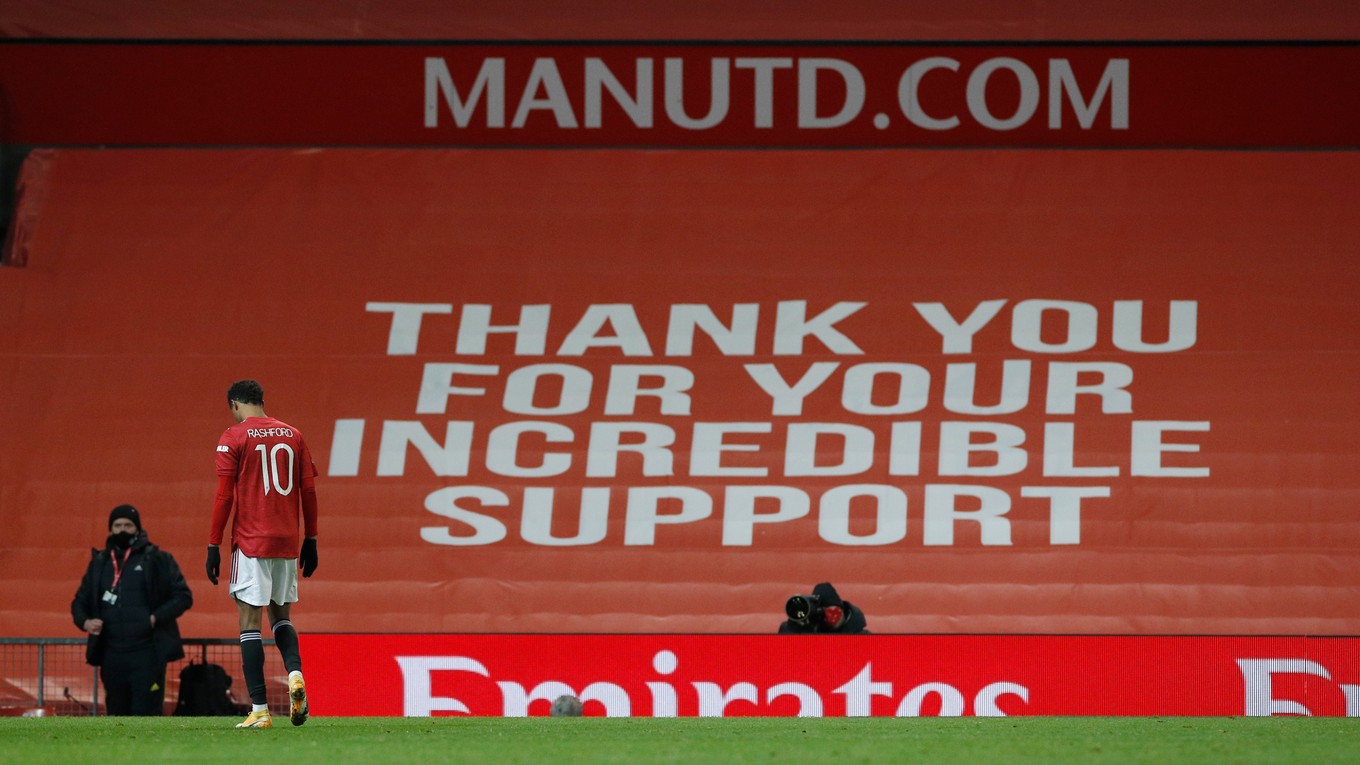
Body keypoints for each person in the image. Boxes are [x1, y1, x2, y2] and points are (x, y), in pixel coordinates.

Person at [205, 379, 319, 729]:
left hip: (251, 541)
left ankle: (259, 710)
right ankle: (295, 673)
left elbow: (224, 497)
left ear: (235, 405)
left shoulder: (233, 438)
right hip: (286, 541)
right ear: (263, 401)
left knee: (249, 623)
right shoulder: (293, 435)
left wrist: (213, 544)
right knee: (281, 617)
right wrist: (311, 539)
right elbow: (309, 491)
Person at [71, 504, 193, 715]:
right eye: (117, 525)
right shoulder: (99, 563)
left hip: (147, 654)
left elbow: (183, 596)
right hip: (111, 654)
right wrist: (86, 622)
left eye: (128, 525)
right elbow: (78, 603)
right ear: (110, 529)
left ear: (137, 529)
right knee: (116, 714)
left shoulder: (157, 559)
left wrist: (155, 618)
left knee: (147, 714)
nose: (123, 530)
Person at [777, 582, 869, 634]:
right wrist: (794, 626)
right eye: (823, 610)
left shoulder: (861, 636)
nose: (829, 616)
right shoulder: (810, 629)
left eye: (831, 610)